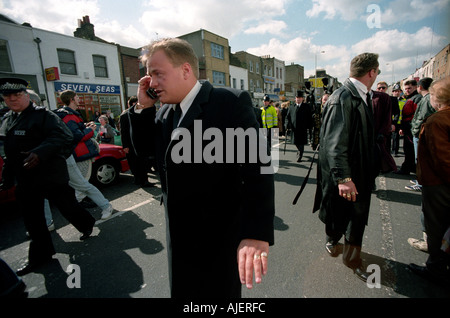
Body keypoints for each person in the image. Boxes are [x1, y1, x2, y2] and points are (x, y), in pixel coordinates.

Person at [137, 38, 275, 298]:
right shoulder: (165, 111)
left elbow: (258, 168)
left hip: (217, 240)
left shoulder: (229, 103)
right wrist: (144, 108)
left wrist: (255, 232)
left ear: (186, 70)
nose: (152, 83)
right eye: (149, 76)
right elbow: (145, 153)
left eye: (158, 74)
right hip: (179, 239)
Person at [0, 78, 95, 276]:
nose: (12, 100)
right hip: (26, 179)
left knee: (67, 207)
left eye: (17, 95)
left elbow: (64, 136)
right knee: (33, 219)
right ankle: (41, 255)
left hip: (50, 175)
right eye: (7, 97)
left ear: (27, 96)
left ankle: (86, 224)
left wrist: (40, 152)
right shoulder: (8, 119)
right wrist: (7, 177)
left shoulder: (43, 116)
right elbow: (9, 151)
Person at [313, 53, 380, 282]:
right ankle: (333, 239)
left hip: (360, 172)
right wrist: (343, 178)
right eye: (377, 71)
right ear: (371, 72)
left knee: (356, 219)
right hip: (347, 175)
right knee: (338, 213)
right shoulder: (342, 98)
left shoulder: (362, 95)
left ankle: (351, 258)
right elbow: (334, 144)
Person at [408, 76, 450, 287]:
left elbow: (442, 160)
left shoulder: (437, 121)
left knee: (435, 227)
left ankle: (435, 266)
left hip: (439, 186)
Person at [56, 90, 114, 220]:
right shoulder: (69, 116)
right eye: (77, 97)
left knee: (81, 184)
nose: (79, 99)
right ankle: (102, 205)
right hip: (79, 154)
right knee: (82, 184)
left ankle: (81, 206)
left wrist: (85, 127)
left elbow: (76, 132)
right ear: (71, 99)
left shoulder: (68, 115)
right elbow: (76, 136)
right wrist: (90, 130)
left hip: (74, 154)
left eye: (102, 119)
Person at [119, 96, 156, 187]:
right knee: (134, 163)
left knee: (142, 162)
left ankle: (143, 180)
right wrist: (125, 145)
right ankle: (139, 179)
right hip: (131, 144)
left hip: (141, 143)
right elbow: (123, 132)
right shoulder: (125, 115)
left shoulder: (142, 114)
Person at [396, 79, 421, 175]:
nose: (407, 90)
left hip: (411, 128)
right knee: (408, 149)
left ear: (416, 87)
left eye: (409, 88)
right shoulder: (410, 98)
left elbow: (417, 115)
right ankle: (410, 167)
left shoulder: (416, 98)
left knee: (411, 150)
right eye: (406, 89)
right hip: (408, 127)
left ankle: (407, 168)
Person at [372, 87, 397, 173]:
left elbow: (390, 115)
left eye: (383, 87)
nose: (381, 89)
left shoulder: (385, 98)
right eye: (379, 87)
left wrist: (392, 124)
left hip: (381, 131)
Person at [285, 90, 313, 162]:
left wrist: (309, 127)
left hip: (303, 128)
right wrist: (287, 125)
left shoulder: (306, 106)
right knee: (295, 142)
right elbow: (287, 117)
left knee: (301, 142)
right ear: (295, 98)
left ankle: (300, 154)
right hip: (294, 128)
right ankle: (299, 150)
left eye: (300, 97)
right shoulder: (291, 107)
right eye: (297, 97)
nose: (298, 99)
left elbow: (310, 117)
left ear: (302, 98)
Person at [391, 83, 405, 157]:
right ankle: (392, 150)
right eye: (395, 91)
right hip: (392, 121)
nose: (397, 92)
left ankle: (395, 151)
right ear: (393, 92)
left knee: (397, 137)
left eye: (398, 91)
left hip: (400, 121)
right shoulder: (389, 100)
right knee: (393, 137)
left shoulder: (404, 100)